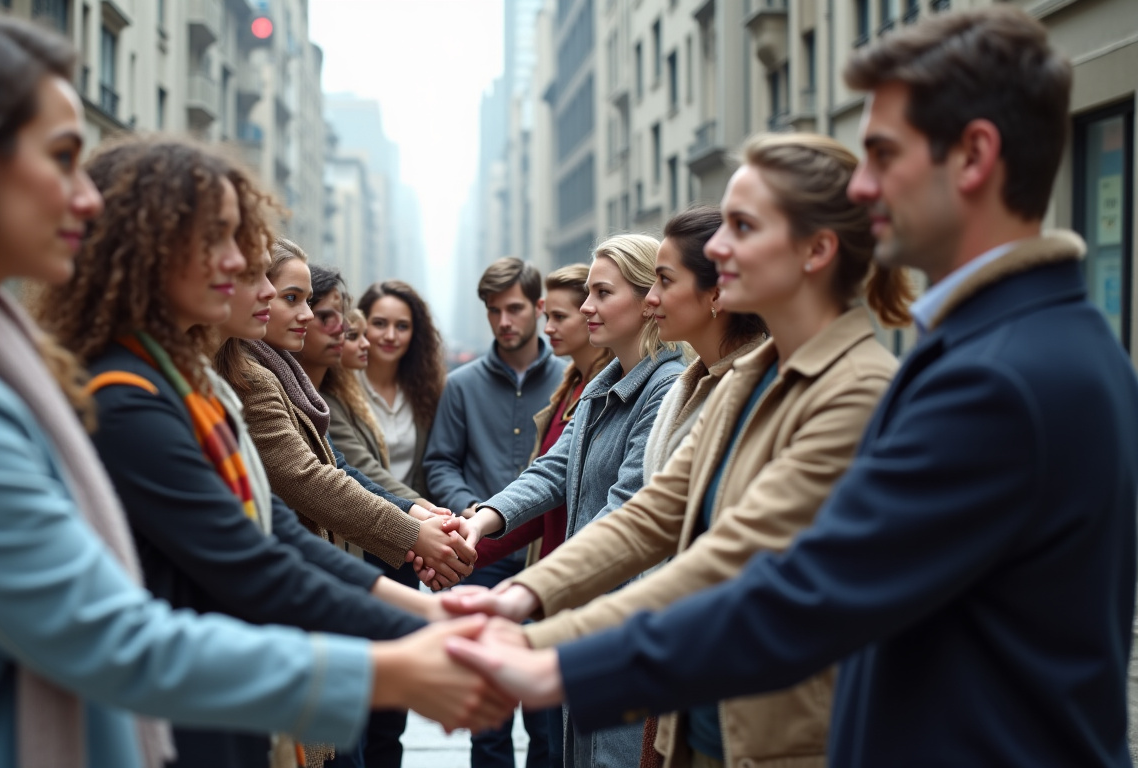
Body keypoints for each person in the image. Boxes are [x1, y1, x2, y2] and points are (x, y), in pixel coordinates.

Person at [0, 10, 511, 768]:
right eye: (64, 157)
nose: (88, 198)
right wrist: (401, 666)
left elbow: (268, 536)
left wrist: (421, 624)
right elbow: (113, 635)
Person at [447, 7, 1138, 767]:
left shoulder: (1000, 374)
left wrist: (547, 661)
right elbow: (665, 518)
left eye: (880, 152)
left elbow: (796, 587)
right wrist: (523, 604)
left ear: (973, 155)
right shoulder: (1004, 346)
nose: (864, 185)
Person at [447, 137, 906, 768]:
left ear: (816, 251)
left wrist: (548, 651)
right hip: (704, 719)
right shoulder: (742, 377)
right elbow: (652, 513)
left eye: (741, 227)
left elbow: (725, 557)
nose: (718, 248)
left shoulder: (855, 392)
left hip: (784, 737)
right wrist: (516, 601)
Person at [35, 137, 457, 768]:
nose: (239, 266)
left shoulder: (191, 383)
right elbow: (251, 560)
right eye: (222, 241)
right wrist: (418, 645)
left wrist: (428, 609)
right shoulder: (124, 399)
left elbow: (272, 529)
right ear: (147, 249)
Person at [456, 236, 689, 768]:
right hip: (584, 610)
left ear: (646, 297)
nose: (585, 308)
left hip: (623, 618)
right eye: (586, 293)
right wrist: (482, 521)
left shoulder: (666, 388)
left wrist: (534, 589)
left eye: (601, 293)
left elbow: (628, 510)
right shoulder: (600, 384)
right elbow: (552, 469)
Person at [213, 242, 475, 589]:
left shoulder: (283, 374)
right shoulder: (251, 377)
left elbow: (335, 466)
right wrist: (415, 532)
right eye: (292, 299)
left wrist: (421, 515)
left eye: (307, 301)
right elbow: (307, 479)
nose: (308, 316)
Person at [421, 257, 567, 768]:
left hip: (550, 557)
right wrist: (471, 513)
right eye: (492, 311)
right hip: (479, 555)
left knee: (548, 720)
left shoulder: (573, 380)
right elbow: (439, 461)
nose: (504, 321)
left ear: (539, 308)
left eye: (514, 308)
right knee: (486, 715)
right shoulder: (460, 385)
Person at [299, 264, 433, 768]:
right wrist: (421, 523)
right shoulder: (301, 392)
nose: (346, 332)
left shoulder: (328, 390)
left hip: (388, 553)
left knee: (381, 726)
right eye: (328, 316)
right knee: (350, 733)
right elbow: (335, 477)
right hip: (352, 567)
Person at [470, 264, 613, 571]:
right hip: (552, 572)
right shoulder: (570, 388)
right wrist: (468, 541)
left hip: (584, 574)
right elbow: (545, 493)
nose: (547, 328)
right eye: (548, 317)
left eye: (559, 317)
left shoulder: (609, 393)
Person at [642, 205, 769, 480]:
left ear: (717, 295)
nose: (651, 297)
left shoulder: (758, 392)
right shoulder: (688, 384)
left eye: (665, 280)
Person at [313, 299, 422, 505]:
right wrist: (417, 507)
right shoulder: (327, 399)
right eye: (352, 336)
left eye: (402, 326)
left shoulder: (423, 391)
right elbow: (357, 465)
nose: (366, 343)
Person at [357, 280, 446, 500]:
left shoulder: (429, 389)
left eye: (402, 326)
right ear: (362, 325)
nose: (390, 336)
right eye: (379, 323)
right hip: (360, 520)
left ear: (415, 333)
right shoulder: (340, 389)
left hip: (419, 526)